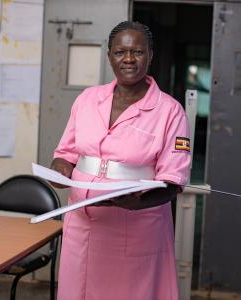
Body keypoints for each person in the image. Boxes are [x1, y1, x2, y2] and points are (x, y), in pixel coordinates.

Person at [50, 21, 191, 300]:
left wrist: (138, 202)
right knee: (78, 290)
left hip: (136, 226)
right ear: (109, 56)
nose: (128, 59)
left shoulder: (170, 111)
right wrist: (58, 172)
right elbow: (65, 153)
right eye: (120, 52)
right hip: (81, 222)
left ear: (150, 55)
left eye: (137, 52)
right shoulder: (88, 99)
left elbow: (173, 181)